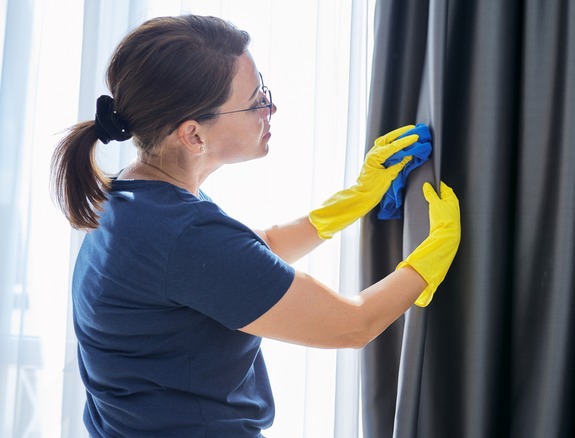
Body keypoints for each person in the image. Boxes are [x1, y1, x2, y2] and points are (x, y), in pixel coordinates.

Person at [49, 14, 460, 437]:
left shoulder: (133, 200)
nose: (271, 106)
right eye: (255, 101)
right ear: (192, 135)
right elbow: (350, 325)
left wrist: (356, 198)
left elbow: (249, 255)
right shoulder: (182, 235)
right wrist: (437, 251)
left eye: (263, 87)